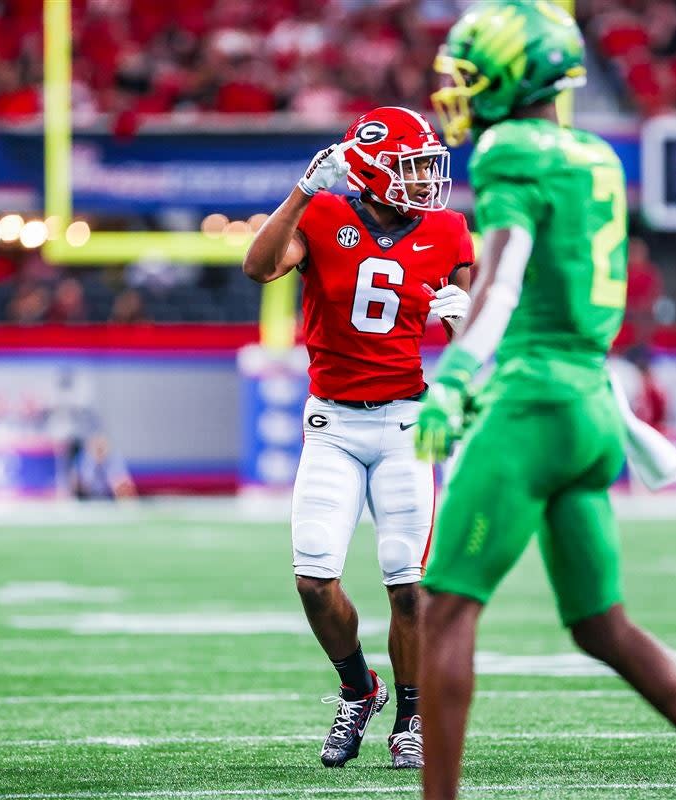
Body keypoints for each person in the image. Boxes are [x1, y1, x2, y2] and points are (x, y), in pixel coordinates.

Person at [414, 4, 676, 800]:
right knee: (602, 626)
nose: (458, 86)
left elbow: (502, 277)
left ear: (515, 74)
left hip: (534, 405)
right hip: (592, 404)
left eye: (472, 69)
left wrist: (454, 378)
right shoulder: (593, 153)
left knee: (444, 610)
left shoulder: (509, 149)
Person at [242, 106, 474, 770]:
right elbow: (258, 268)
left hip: (407, 421)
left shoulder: (450, 231)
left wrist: (464, 322)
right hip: (333, 423)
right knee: (315, 581)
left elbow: (471, 349)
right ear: (370, 169)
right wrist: (302, 191)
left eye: (430, 166)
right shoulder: (322, 216)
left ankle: (412, 713)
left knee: (409, 584)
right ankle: (357, 688)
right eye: (413, 167)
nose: (428, 181)